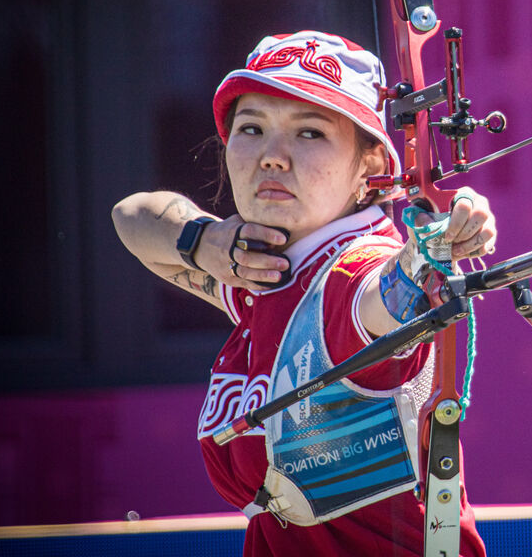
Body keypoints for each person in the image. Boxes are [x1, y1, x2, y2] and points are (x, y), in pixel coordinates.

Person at [112, 30, 493, 556]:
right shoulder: (266, 268)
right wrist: (206, 242)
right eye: (251, 128)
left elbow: (379, 299)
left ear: (372, 167)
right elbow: (130, 217)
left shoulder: (351, 272)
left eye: (309, 133)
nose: (272, 156)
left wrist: (427, 255)